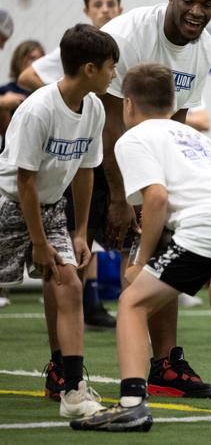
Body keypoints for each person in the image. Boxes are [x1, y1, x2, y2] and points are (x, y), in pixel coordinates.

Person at [69, 63, 211, 432]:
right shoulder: (197, 137)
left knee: (132, 302)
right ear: (173, 105)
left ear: (128, 105)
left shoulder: (133, 138)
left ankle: (131, 405)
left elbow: (155, 199)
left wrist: (140, 260)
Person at [97, 0, 211, 399]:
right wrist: (117, 195)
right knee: (70, 261)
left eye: (208, 4)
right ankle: (64, 368)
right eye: (188, 0)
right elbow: (110, 121)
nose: (197, 12)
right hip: (91, 157)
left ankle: (165, 364)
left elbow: (177, 123)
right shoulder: (127, 34)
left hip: (147, 162)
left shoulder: (205, 50)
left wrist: (169, 193)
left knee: (163, 251)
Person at [0, 23, 119, 416]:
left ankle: (71, 389)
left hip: (50, 209)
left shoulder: (96, 108)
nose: (114, 75)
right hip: (8, 206)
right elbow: (25, 180)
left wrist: (80, 231)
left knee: (68, 281)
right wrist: (38, 242)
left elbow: (85, 171)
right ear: (89, 69)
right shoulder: (37, 109)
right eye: (110, 67)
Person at [18, 0, 123, 90]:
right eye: (98, 4)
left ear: (120, 10)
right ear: (87, 11)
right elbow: (27, 76)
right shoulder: (80, 45)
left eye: (110, 4)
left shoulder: (129, 41)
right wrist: (61, 100)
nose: (105, 10)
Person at [0, 40, 45, 147]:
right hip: (11, 150)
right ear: (19, 60)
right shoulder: (6, 91)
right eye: (32, 58)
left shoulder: (44, 91)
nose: (37, 63)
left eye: (41, 59)